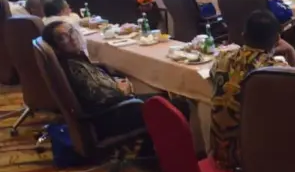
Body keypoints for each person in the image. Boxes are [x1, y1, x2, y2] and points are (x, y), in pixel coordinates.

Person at [41, 20, 190, 156]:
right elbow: (99, 97)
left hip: (107, 109)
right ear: (56, 48)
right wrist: (121, 90)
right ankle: (177, 160)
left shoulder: (71, 59)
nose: (72, 38)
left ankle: (148, 153)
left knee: (160, 97)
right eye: (63, 37)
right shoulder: (73, 67)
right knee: (175, 106)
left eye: (72, 32)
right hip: (107, 116)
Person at [209, 10, 295, 172]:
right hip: (251, 162)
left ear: (244, 35)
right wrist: (291, 52)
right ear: (277, 39)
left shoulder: (221, 59)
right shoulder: (275, 70)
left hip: (218, 153)